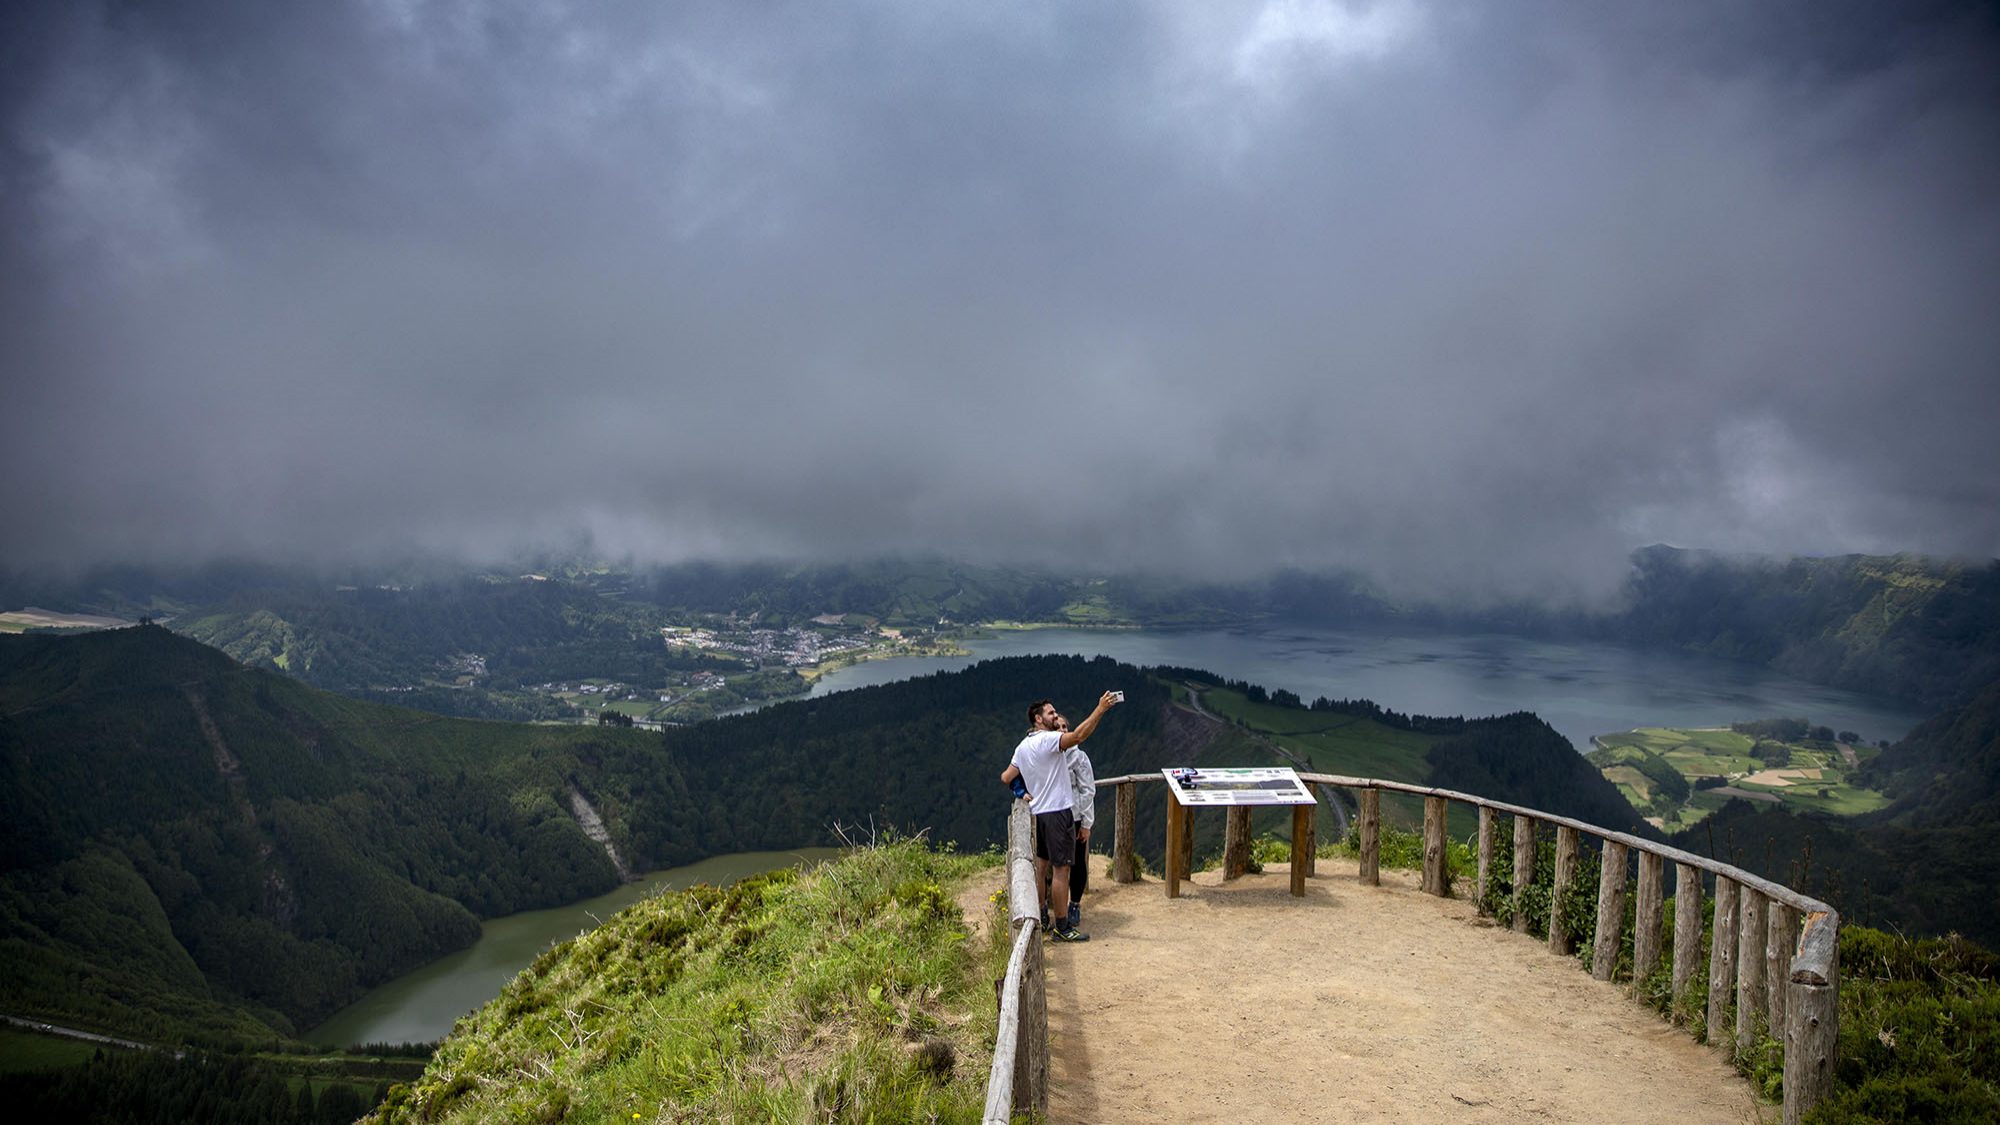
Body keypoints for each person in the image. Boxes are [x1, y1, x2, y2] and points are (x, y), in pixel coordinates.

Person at [1001, 690, 1119, 942]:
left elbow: (1006, 776)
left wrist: (1022, 792)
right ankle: (1062, 927)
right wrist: (1100, 709)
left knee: (1042, 868)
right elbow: (1078, 736)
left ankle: (1041, 916)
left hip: (1038, 815)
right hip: (1057, 813)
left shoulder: (1022, 747)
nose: (1055, 716)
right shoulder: (1048, 741)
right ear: (1038, 719)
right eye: (1051, 713)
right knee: (1061, 871)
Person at [1061, 715, 1096, 932]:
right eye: (1058, 727)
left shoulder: (1078, 757)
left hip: (1074, 816)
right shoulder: (1048, 755)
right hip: (1052, 815)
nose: (1062, 729)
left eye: (1065, 726)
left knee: (1077, 862)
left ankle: (1074, 903)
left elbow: (1087, 789)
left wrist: (1086, 822)